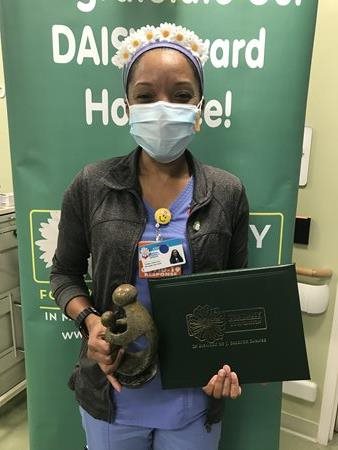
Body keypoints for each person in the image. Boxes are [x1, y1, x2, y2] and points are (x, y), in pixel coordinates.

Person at [50, 23, 249, 450]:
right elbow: (64, 274)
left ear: (199, 108)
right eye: (145, 96)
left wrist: (229, 365)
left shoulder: (228, 192)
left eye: (180, 95)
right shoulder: (91, 185)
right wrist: (90, 324)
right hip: (112, 401)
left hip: (194, 402)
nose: (163, 108)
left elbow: (237, 297)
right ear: (127, 106)